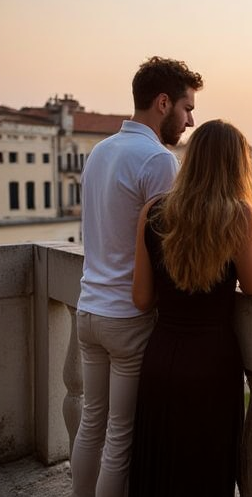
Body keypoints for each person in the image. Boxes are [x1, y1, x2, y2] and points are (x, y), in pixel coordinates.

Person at [71, 56, 203, 497]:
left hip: (88, 308)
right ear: (163, 103)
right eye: (187, 108)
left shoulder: (100, 152)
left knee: (92, 422)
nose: (190, 120)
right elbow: (171, 251)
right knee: (119, 438)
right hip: (128, 316)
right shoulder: (158, 161)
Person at [128, 119, 252, 497]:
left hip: (162, 356)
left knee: (160, 464)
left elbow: (142, 299)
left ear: (191, 159)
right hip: (213, 362)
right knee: (205, 467)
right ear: (237, 165)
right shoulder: (239, 214)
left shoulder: (154, 212)